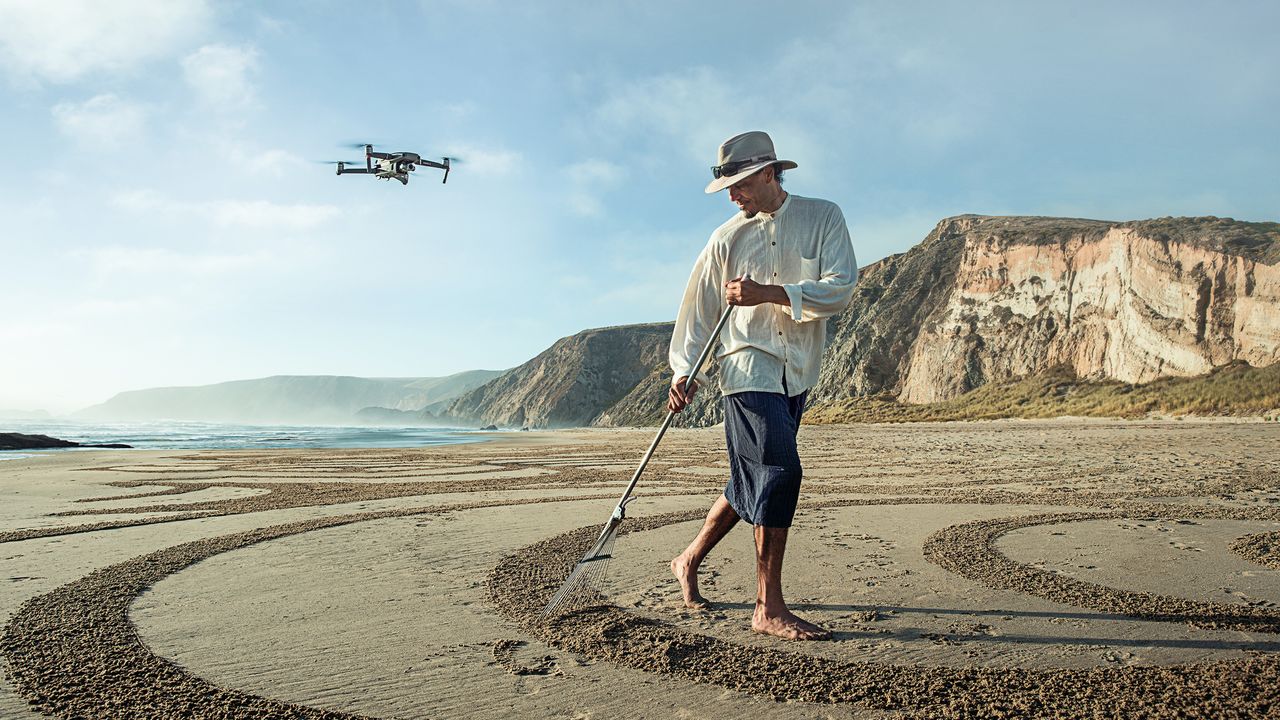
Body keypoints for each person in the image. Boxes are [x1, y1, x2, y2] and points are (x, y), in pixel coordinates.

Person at [667, 130, 858, 641]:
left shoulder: (823, 217)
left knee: (753, 478)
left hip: (798, 368)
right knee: (778, 471)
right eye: (727, 185)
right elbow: (697, 311)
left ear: (771, 172)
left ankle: (687, 559)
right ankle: (767, 607)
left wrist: (768, 293)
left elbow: (841, 288)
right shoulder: (724, 239)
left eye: (741, 182)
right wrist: (684, 371)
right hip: (745, 365)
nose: (732, 194)